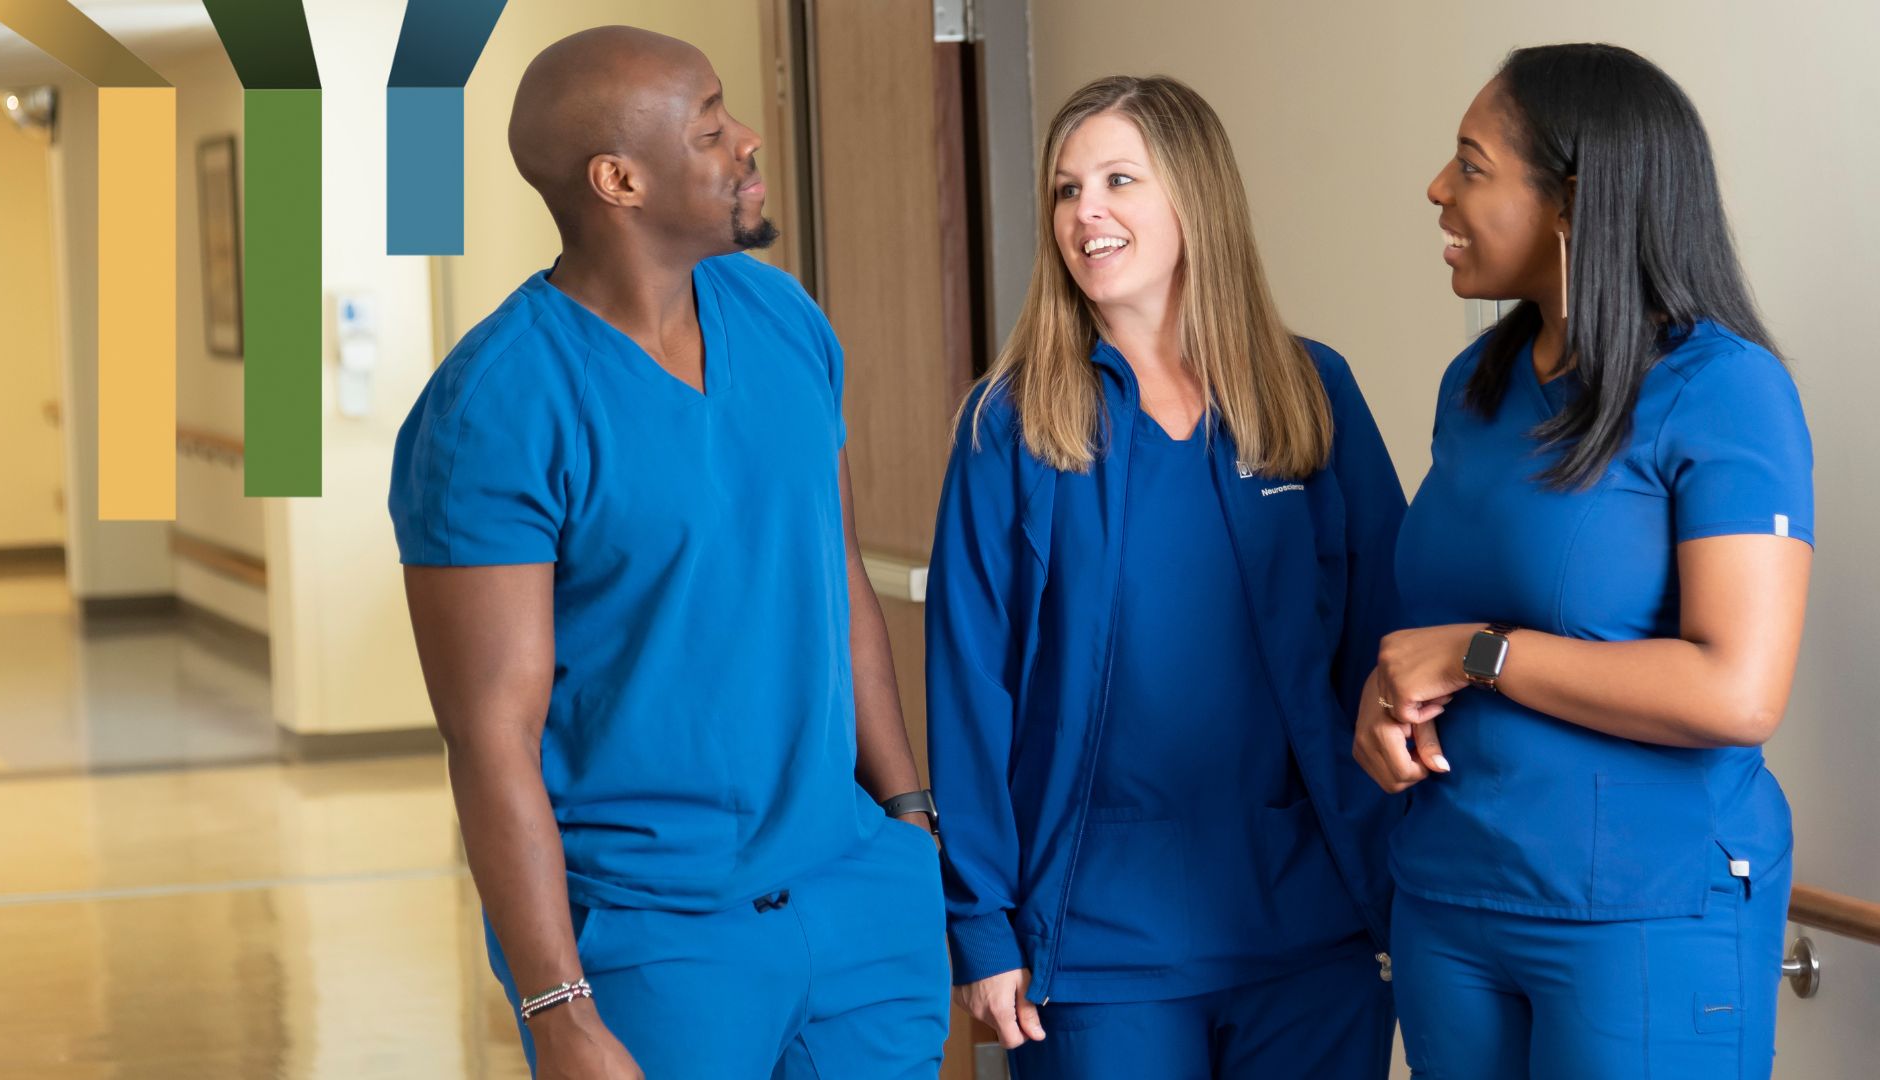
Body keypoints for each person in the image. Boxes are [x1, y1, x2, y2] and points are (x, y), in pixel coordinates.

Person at [387, 26, 947, 1080]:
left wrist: (909, 820)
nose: (746, 141)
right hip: (656, 940)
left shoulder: (783, 318)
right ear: (620, 179)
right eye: (711, 125)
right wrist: (558, 1010)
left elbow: (835, 585)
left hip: (856, 902)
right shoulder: (497, 408)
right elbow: (489, 736)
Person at [927, 74, 1405, 1079]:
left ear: (1196, 198)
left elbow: (1384, 644)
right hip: (1098, 940)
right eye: (1065, 190)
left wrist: (1401, 872)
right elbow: (971, 689)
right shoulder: (1009, 426)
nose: (1084, 211)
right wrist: (981, 922)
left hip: (1311, 924)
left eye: (1115, 180)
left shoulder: (1311, 394)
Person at [1359, 43, 1813, 1080]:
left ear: (1573, 200)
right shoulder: (1478, 380)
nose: (1438, 189)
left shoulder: (1725, 391)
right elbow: (1436, 622)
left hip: (1645, 912)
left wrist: (1482, 655)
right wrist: (1389, 697)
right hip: (1451, 894)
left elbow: (1738, 691)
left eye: (1470, 165)